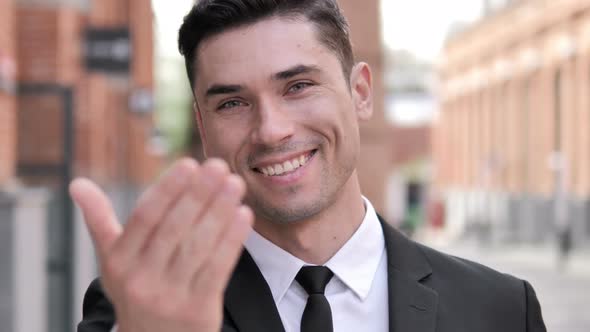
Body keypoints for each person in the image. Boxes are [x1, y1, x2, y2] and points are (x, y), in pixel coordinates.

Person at [72, 1, 547, 331]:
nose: (271, 130)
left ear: (360, 93)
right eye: (233, 102)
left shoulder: (502, 310)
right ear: (202, 123)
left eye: (297, 86)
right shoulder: (143, 307)